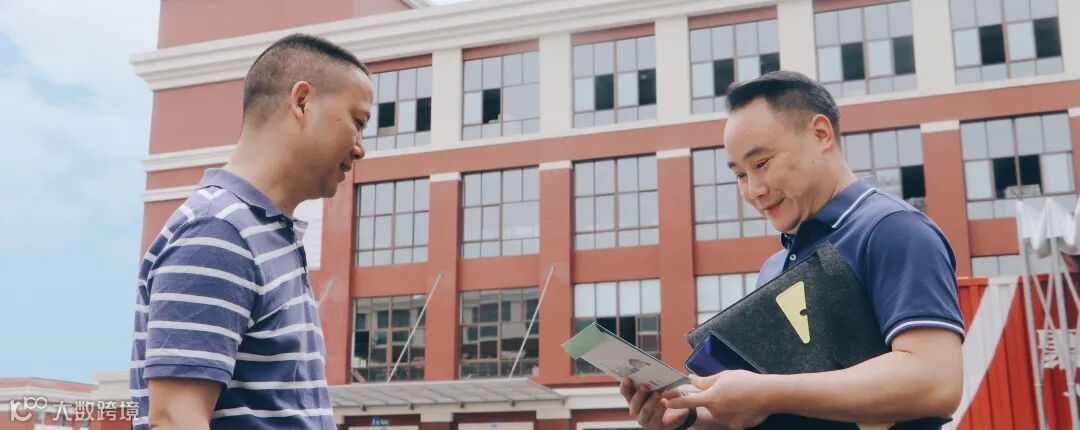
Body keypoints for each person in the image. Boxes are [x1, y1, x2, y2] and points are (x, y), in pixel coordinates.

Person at [620, 71, 964, 430]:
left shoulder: (892, 229)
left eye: (761, 163)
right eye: (740, 175)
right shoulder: (775, 266)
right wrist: (687, 415)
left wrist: (766, 392)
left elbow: (934, 381)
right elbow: (763, 409)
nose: (753, 190)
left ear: (821, 133)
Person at [129, 33, 372, 429]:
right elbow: (175, 419)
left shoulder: (265, 235)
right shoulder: (218, 233)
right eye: (358, 122)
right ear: (302, 101)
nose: (360, 147)